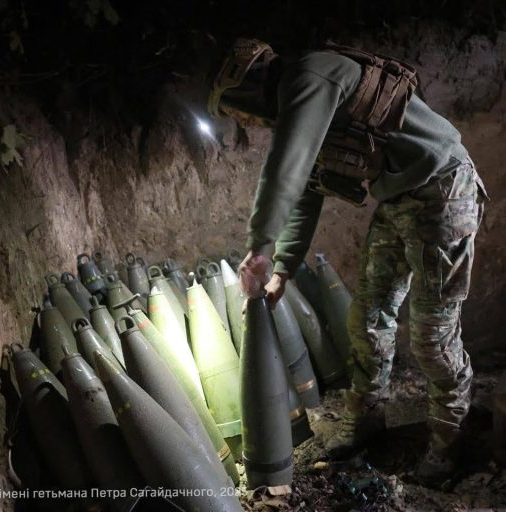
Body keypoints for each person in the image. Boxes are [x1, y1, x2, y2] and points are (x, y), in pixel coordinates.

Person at [207, 38, 488, 483]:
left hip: (444, 192)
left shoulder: (308, 76)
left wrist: (260, 246)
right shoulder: (309, 99)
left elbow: (287, 167)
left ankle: (449, 443)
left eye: (238, 112)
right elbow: (306, 189)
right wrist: (282, 269)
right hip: (400, 200)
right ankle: (366, 421)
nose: (246, 122)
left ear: (247, 86)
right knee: (368, 318)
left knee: (433, 336)